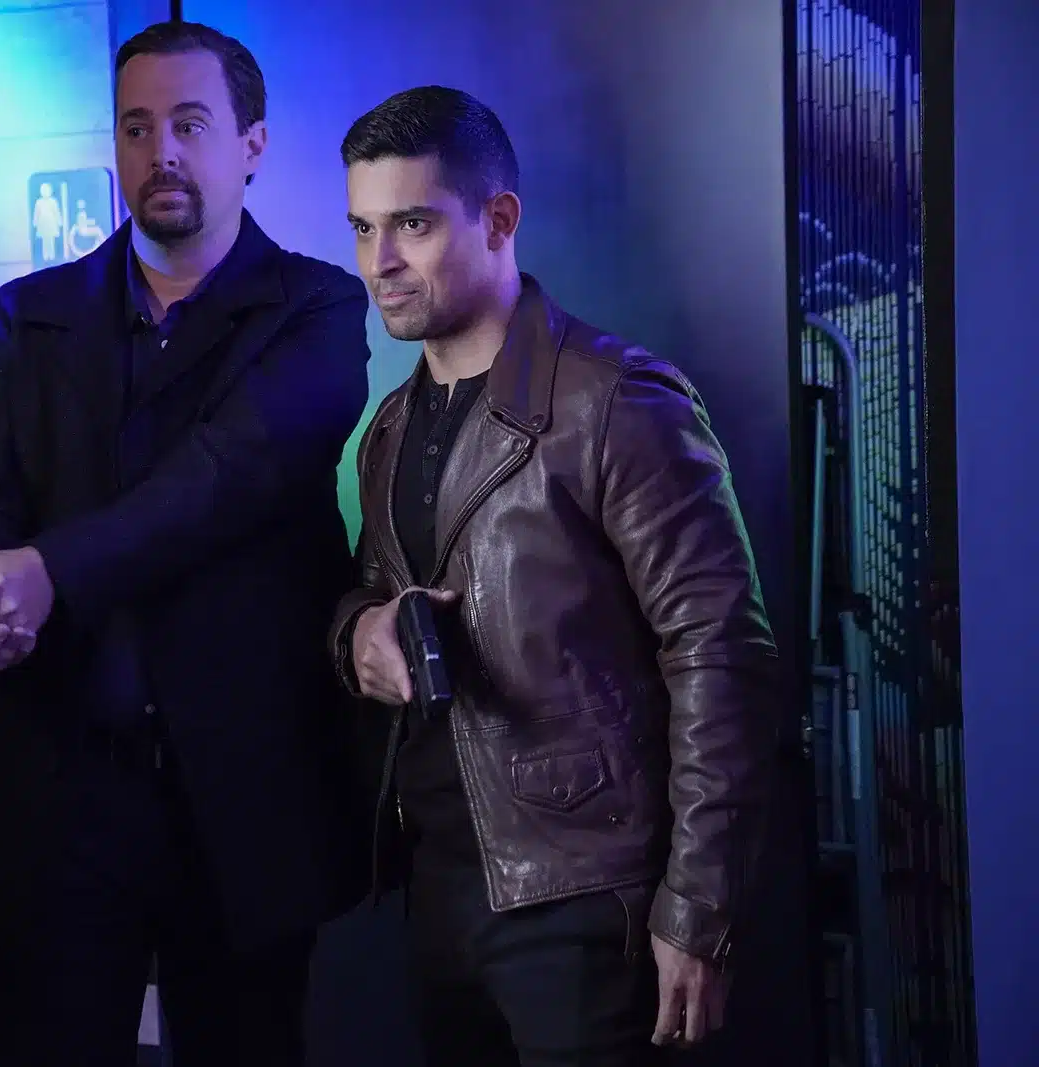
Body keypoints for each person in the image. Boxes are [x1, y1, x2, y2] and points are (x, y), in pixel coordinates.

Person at [0, 21, 372, 1067]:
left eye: (188, 124)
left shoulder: (315, 306)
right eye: (135, 127)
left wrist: (47, 572)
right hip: (58, 792)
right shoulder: (29, 315)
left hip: (242, 794)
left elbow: (225, 477)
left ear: (251, 144)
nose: (159, 151)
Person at [329, 86, 782, 1067]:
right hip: (438, 890)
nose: (379, 261)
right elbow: (375, 590)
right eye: (363, 227)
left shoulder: (617, 401)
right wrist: (361, 630)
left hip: (586, 900)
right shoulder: (390, 429)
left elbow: (720, 653)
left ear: (499, 219)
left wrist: (699, 908)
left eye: (412, 223)